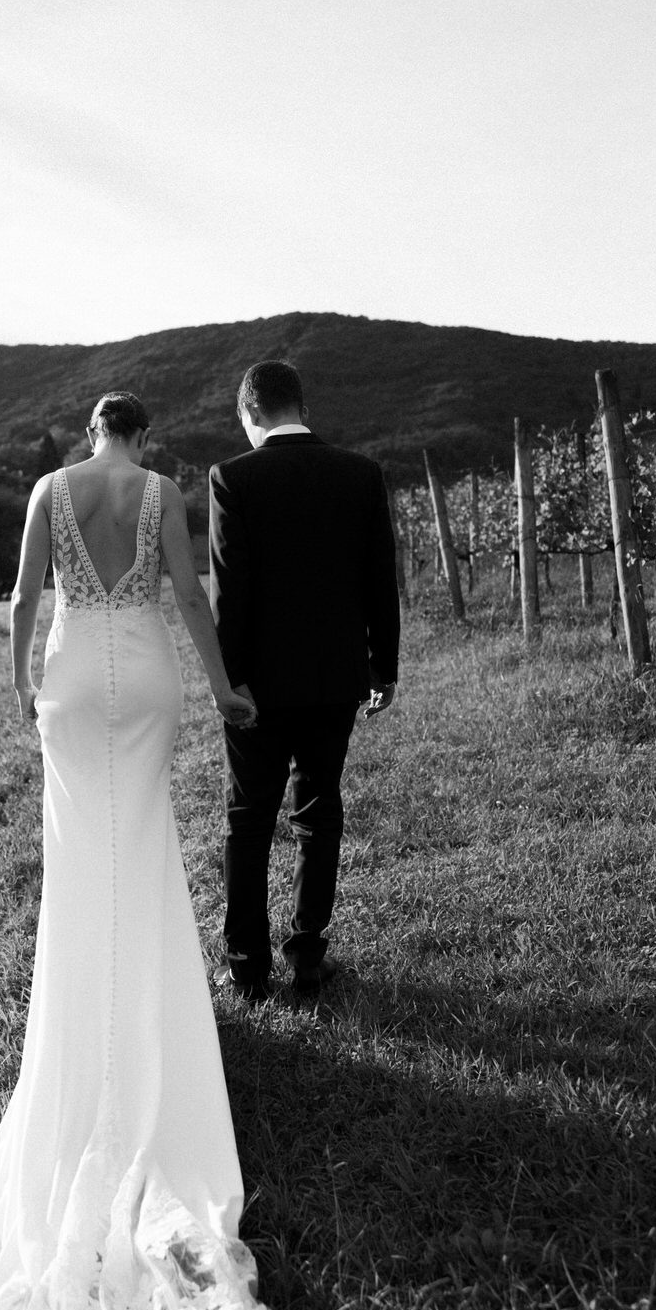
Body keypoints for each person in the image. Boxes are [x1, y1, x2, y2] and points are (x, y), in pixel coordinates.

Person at [0, 393, 286, 1310]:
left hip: (77, 675)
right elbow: (189, 594)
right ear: (142, 434)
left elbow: (23, 598)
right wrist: (226, 689)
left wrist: (19, 683)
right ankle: (151, 1005)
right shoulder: (166, 492)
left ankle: (90, 997)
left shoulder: (50, 489)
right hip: (151, 680)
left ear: (92, 431)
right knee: (145, 844)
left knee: (81, 861)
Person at [209, 360, 401, 1003]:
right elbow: (381, 580)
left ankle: (246, 965)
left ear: (251, 413)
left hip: (257, 686)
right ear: (301, 405)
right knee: (319, 813)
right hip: (335, 677)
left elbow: (229, 593)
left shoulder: (233, 477)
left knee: (249, 816)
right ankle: (309, 956)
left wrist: (229, 681)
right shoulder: (361, 474)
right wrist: (384, 665)